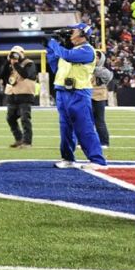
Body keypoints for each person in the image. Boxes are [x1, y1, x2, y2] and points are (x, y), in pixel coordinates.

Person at [46, 23, 107, 168]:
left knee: (84, 126)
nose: (70, 32)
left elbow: (67, 56)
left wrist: (53, 43)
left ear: (82, 34)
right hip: (62, 91)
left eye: (73, 30)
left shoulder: (87, 51)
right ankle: (68, 158)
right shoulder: (68, 50)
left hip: (78, 92)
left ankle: (97, 160)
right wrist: (51, 48)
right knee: (65, 128)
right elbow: (55, 66)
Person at [0, 45, 38, 149]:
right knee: (10, 118)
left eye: (16, 53)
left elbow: (25, 74)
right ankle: (19, 139)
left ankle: (27, 142)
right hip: (12, 95)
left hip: (25, 95)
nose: (14, 56)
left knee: (25, 119)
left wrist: (17, 64)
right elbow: (2, 76)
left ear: (22, 53)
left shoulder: (29, 63)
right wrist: (7, 62)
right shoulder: (10, 65)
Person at [92, 53, 114, 148]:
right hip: (86, 96)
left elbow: (108, 77)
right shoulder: (85, 67)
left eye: (97, 58)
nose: (95, 60)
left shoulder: (104, 71)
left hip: (99, 97)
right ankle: (82, 142)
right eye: (94, 57)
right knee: (86, 121)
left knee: (100, 121)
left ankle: (104, 142)